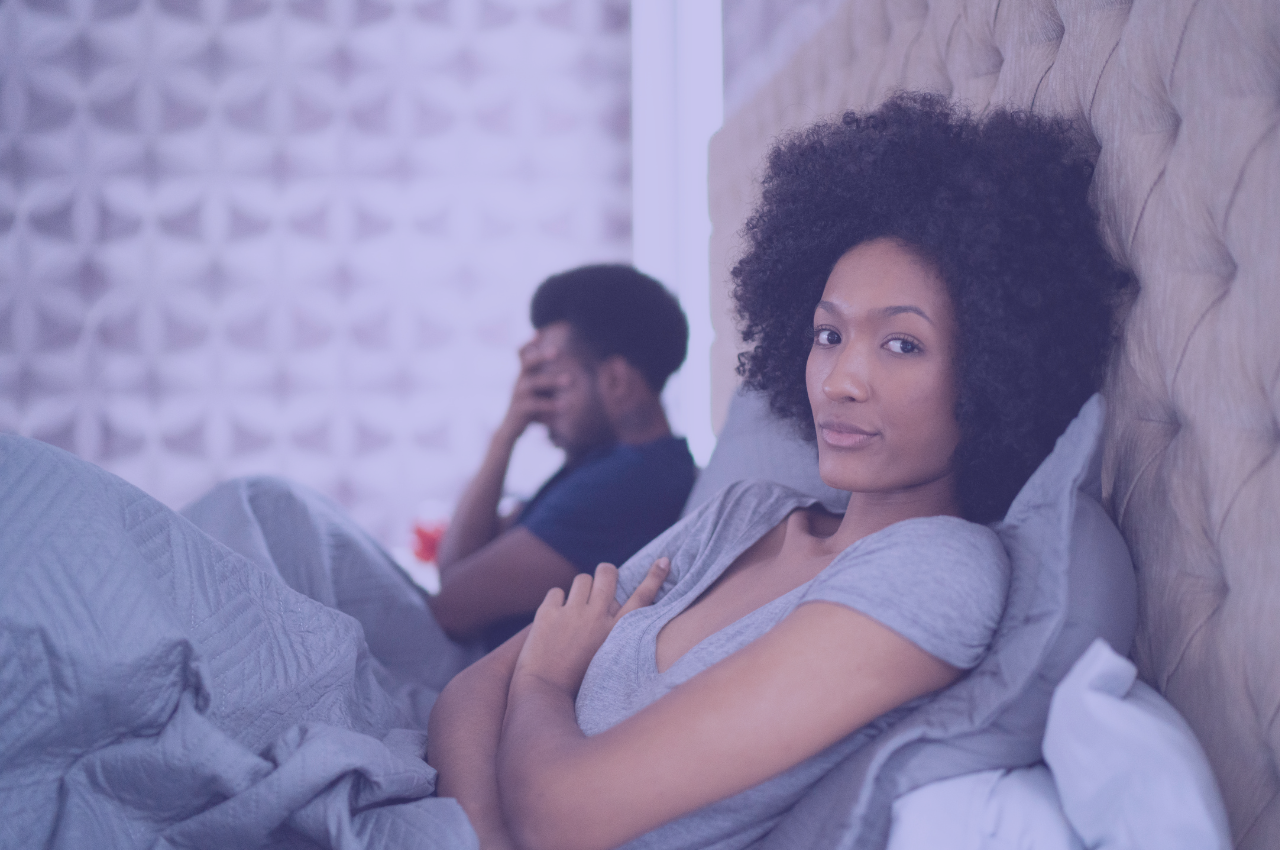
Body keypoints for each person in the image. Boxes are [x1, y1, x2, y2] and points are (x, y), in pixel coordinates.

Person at [426, 93, 1131, 850]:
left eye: (901, 345)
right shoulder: (748, 513)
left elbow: (566, 816)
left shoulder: (937, 571)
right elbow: (465, 696)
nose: (839, 381)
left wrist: (541, 684)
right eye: (828, 334)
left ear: (993, 371)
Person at [428, 265, 697, 649]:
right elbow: (458, 564)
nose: (536, 405)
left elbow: (451, 607)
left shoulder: (629, 483)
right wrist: (506, 435)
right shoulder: (605, 466)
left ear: (615, 381)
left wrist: (505, 437)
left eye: (550, 383)